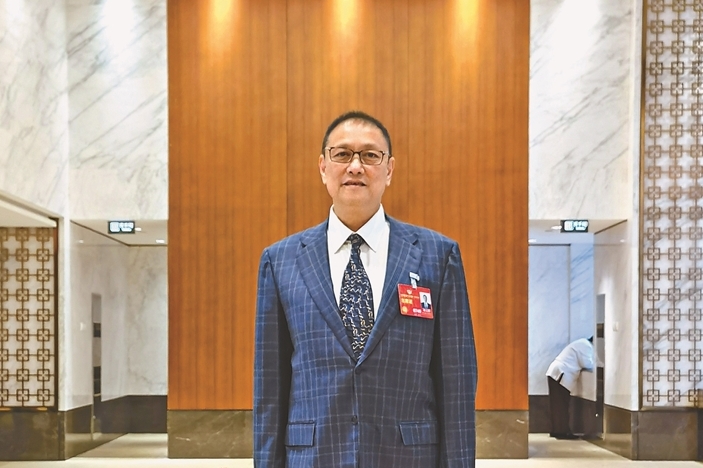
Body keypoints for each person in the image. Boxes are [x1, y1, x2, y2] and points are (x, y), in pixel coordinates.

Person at [254, 111, 478, 467]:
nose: (355, 166)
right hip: (314, 456)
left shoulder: (437, 255)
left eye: (370, 155)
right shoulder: (281, 261)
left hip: (408, 457)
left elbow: (457, 382)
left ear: (389, 169)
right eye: (342, 154)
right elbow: (270, 387)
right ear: (323, 167)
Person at [546, 336, 595, 440]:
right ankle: (563, 432)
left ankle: (556, 430)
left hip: (556, 372)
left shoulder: (581, 343)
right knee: (562, 405)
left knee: (556, 405)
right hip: (561, 373)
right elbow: (587, 363)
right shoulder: (586, 346)